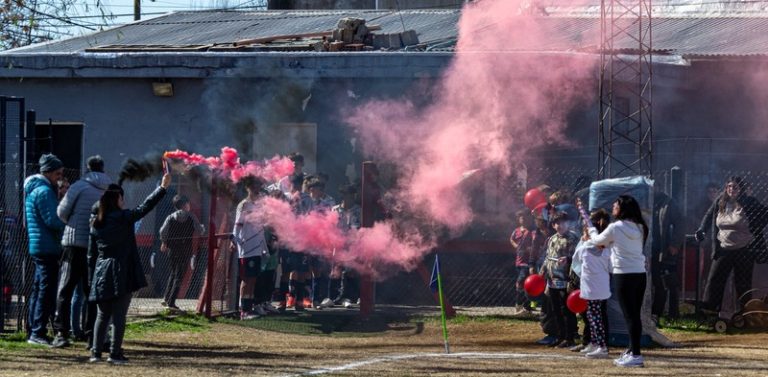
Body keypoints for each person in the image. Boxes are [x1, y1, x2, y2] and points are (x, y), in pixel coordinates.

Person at [89, 174, 171, 364]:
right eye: (121, 198)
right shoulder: (123, 218)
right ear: (116, 199)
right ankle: (114, 353)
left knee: (102, 315)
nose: (123, 201)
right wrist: (162, 188)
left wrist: (91, 277)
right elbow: (145, 207)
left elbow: (91, 254)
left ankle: (95, 353)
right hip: (121, 270)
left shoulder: (96, 223)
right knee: (119, 315)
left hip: (101, 271)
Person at [52, 155, 112, 348]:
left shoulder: (79, 186)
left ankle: (61, 333)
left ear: (87, 168)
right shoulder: (111, 188)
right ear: (103, 169)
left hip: (74, 243)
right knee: (92, 292)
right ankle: (92, 335)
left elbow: (61, 212)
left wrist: (73, 222)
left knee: (65, 289)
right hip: (96, 246)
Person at [585, 195, 649, 368]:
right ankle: (631, 350)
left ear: (623, 209)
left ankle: (635, 355)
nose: (613, 208)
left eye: (616, 205)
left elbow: (597, 241)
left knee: (630, 316)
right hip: (640, 274)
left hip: (624, 275)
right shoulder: (641, 227)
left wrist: (591, 228)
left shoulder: (615, 227)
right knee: (634, 315)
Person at [695, 176, 767, 313]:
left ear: (741, 189)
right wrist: (702, 230)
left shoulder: (749, 202)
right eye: (729, 186)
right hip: (723, 248)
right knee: (715, 279)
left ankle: (746, 313)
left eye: (735, 187)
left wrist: (755, 229)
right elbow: (709, 216)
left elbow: (764, 215)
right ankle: (711, 309)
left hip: (744, 249)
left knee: (742, 284)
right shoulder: (720, 201)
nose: (732, 189)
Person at [24, 154, 66, 346]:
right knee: (46, 291)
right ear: (48, 172)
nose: (60, 177)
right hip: (47, 246)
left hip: (38, 245)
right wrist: (67, 218)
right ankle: (38, 332)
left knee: (38, 288)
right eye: (57, 173)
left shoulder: (34, 190)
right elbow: (53, 220)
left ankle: (33, 329)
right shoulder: (45, 192)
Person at [573, 208, 612, 359]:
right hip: (595, 287)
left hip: (594, 288)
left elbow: (576, 264)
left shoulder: (586, 248)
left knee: (595, 317)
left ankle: (601, 346)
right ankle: (596, 343)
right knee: (593, 316)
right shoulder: (605, 249)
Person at [539, 212, 579, 349]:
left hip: (566, 281)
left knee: (566, 310)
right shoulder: (552, 239)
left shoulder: (572, 239)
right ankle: (560, 336)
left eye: (562, 222)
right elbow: (548, 256)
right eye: (556, 223)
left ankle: (570, 337)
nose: (559, 225)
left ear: (567, 223)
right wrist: (543, 271)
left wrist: (567, 260)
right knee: (556, 310)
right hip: (552, 281)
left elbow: (578, 259)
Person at [233, 176, 270, 319]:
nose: (256, 189)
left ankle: (249, 307)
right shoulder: (243, 205)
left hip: (257, 248)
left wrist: (264, 248)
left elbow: (261, 228)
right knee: (246, 279)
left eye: (258, 186)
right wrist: (236, 242)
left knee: (253, 279)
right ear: (247, 188)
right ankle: (243, 311)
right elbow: (237, 226)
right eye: (253, 186)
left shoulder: (260, 206)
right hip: (246, 248)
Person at [159, 194, 204, 310]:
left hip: (172, 249)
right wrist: (202, 228)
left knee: (173, 273)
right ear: (185, 205)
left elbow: (162, 231)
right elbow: (200, 230)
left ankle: (166, 298)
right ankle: (171, 302)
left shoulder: (170, 217)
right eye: (188, 203)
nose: (189, 205)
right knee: (179, 275)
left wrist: (164, 242)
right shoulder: (191, 216)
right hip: (185, 249)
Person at [651, 191, 684, 322]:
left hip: (661, 250)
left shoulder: (668, 203)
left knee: (662, 282)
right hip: (643, 250)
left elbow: (680, 223)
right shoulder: (640, 200)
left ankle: (656, 314)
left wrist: (675, 244)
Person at [509, 210, 534, 315]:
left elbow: (535, 243)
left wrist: (530, 249)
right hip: (518, 262)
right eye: (521, 217)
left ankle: (520, 305)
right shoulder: (517, 231)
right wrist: (516, 246)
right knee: (523, 285)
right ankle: (526, 308)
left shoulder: (532, 231)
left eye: (525, 217)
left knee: (522, 283)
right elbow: (511, 239)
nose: (523, 219)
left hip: (527, 262)